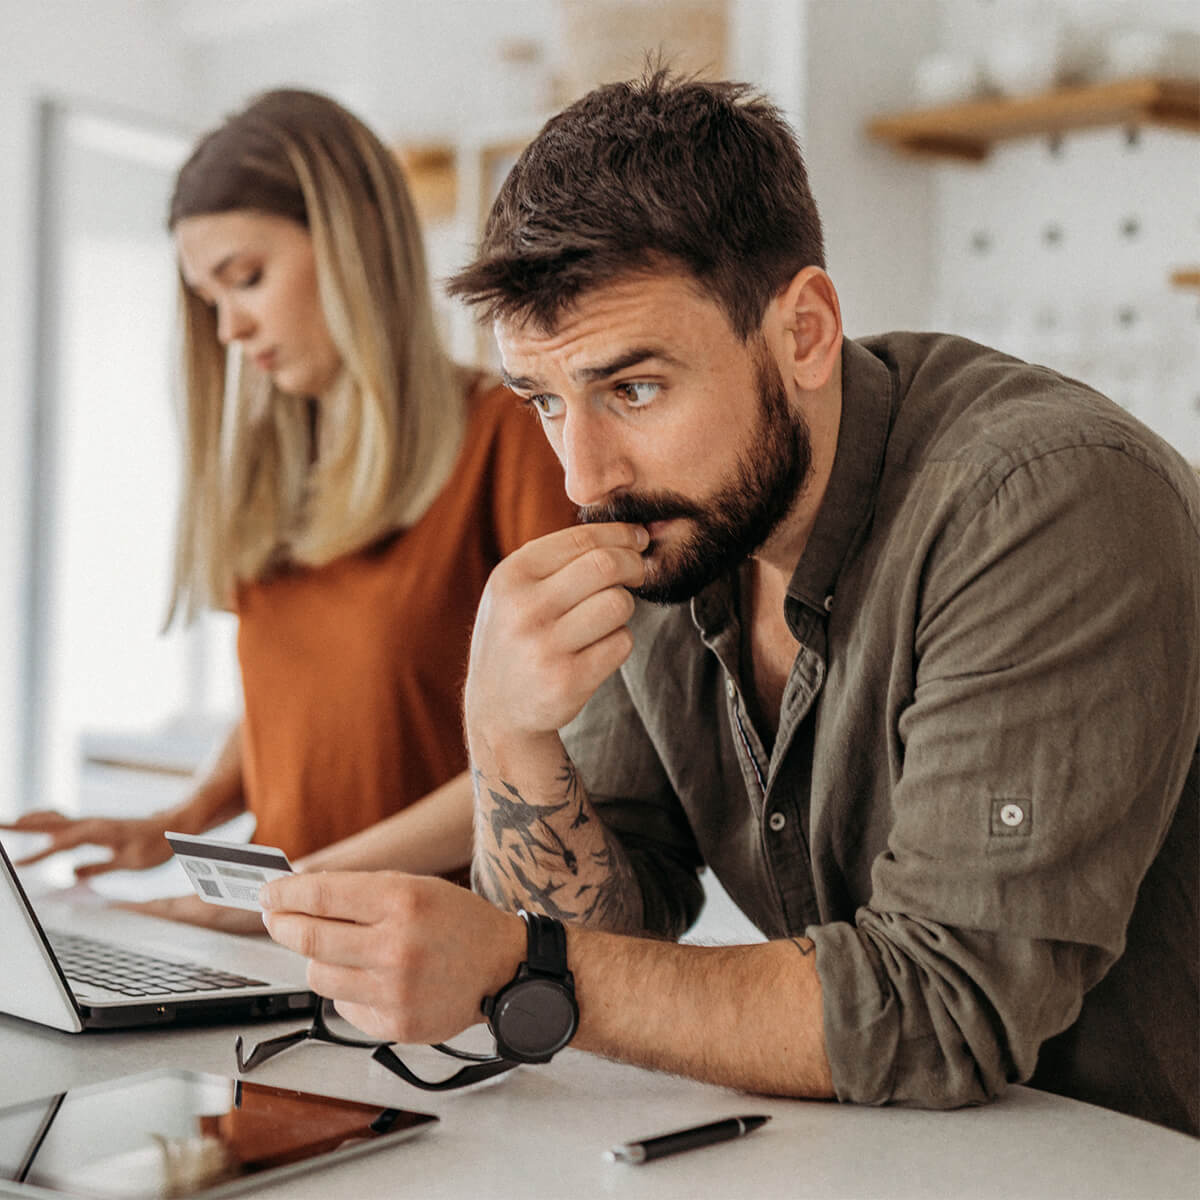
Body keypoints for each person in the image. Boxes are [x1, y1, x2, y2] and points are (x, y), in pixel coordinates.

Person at [256, 71, 1199, 1135]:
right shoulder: (683, 527)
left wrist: (521, 971)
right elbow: (617, 916)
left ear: (803, 331)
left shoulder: (1045, 502)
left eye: (636, 388)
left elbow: (943, 1010)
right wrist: (504, 731)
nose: (585, 478)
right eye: (547, 403)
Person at [2, 88, 575, 932]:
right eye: (210, 301)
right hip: (275, 936)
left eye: (247, 279)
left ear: (353, 245)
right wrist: (180, 822)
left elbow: (569, 755)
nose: (229, 326)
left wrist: (302, 885)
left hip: (433, 950)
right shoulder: (280, 471)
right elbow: (292, 701)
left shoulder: (509, 439)